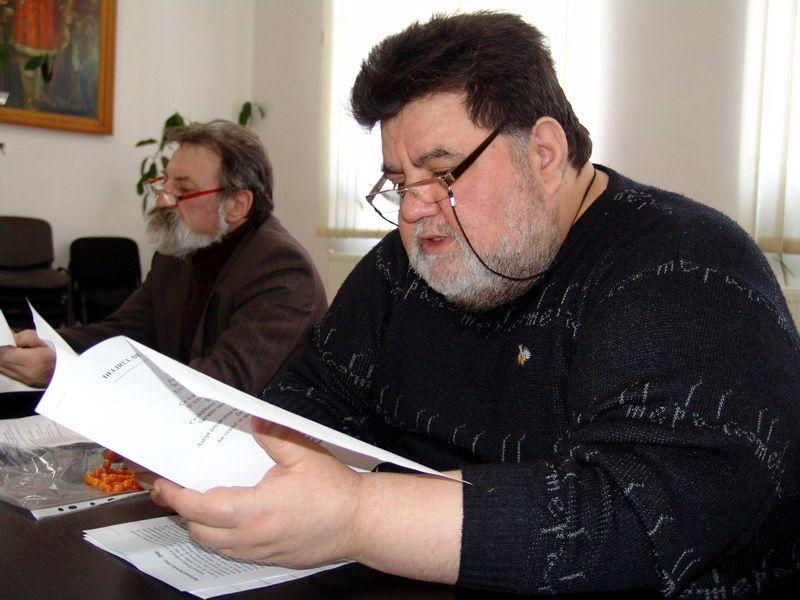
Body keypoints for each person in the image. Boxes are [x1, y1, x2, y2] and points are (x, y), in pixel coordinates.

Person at [147, 13, 799, 599]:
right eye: (399, 183)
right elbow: (311, 397)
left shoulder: (688, 269)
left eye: (443, 174)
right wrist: (214, 458)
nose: (413, 210)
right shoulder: (401, 266)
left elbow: (634, 520)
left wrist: (357, 515)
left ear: (544, 154)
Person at [0, 119, 327, 397]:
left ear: (237, 205)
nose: (162, 201)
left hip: (254, 441)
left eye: (182, 190)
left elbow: (222, 384)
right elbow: (124, 332)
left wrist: (66, 370)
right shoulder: (179, 252)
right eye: (163, 184)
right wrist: (49, 345)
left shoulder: (281, 269)